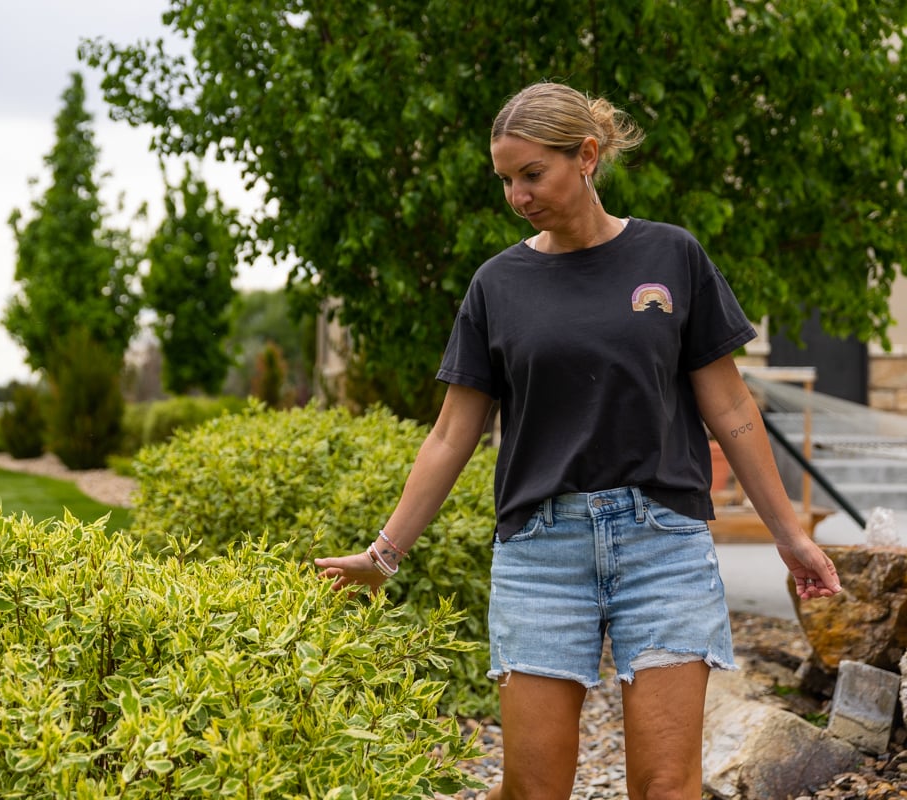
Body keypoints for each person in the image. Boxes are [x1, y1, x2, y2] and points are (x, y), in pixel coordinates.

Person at [313, 81, 843, 800]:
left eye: (532, 173)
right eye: (505, 179)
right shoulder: (497, 285)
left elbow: (732, 409)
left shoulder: (673, 256)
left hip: (664, 544)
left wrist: (790, 534)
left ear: (587, 155)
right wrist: (384, 555)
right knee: (534, 790)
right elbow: (449, 436)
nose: (517, 194)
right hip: (540, 552)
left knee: (665, 787)